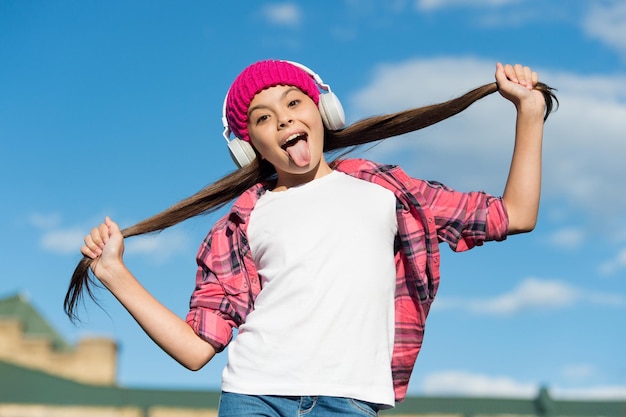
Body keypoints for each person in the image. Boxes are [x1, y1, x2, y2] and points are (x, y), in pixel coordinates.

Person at [65, 59, 557, 416]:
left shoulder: (385, 191)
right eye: (262, 117)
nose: (283, 119)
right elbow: (196, 349)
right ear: (250, 145)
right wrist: (114, 272)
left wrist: (529, 113)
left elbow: (513, 215)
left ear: (322, 111)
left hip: (349, 401)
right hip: (254, 398)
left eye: (293, 102)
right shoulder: (241, 223)